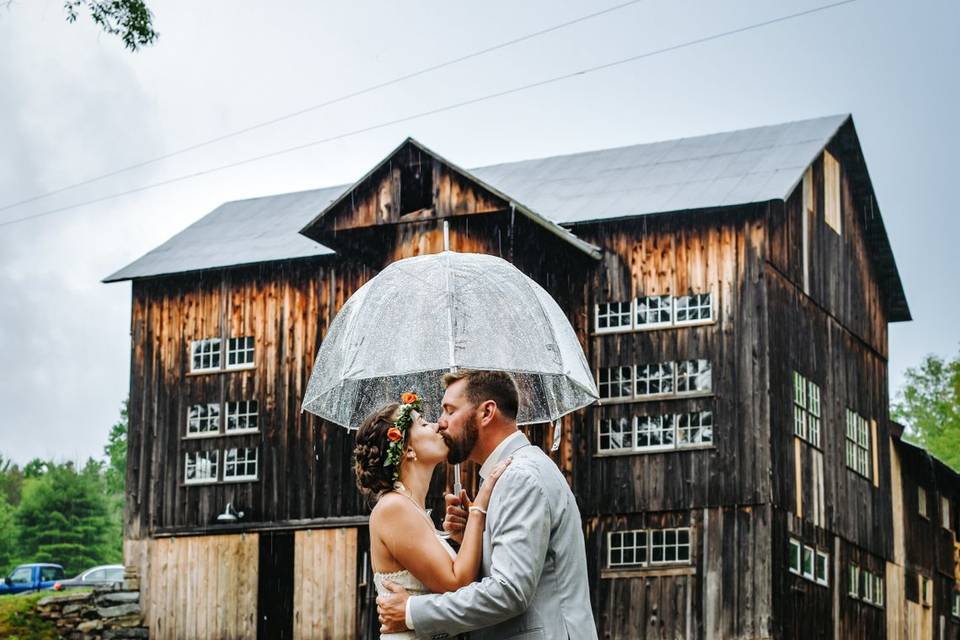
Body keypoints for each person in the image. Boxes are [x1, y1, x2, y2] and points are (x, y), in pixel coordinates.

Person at [377, 370, 598, 640]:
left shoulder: (520, 477)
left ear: (486, 413)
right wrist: (474, 537)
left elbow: (510, 591)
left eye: (449, 410)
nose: (440, 423)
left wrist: (412, 611)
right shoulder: (508, 475)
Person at [353, 393, 511, 640]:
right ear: (406, 449)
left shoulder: (411, 509)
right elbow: (456, 583)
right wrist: (480, 508)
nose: (437, 424)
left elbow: (461, 586)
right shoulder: (393, 508)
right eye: (423, 423)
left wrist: (464, 535)